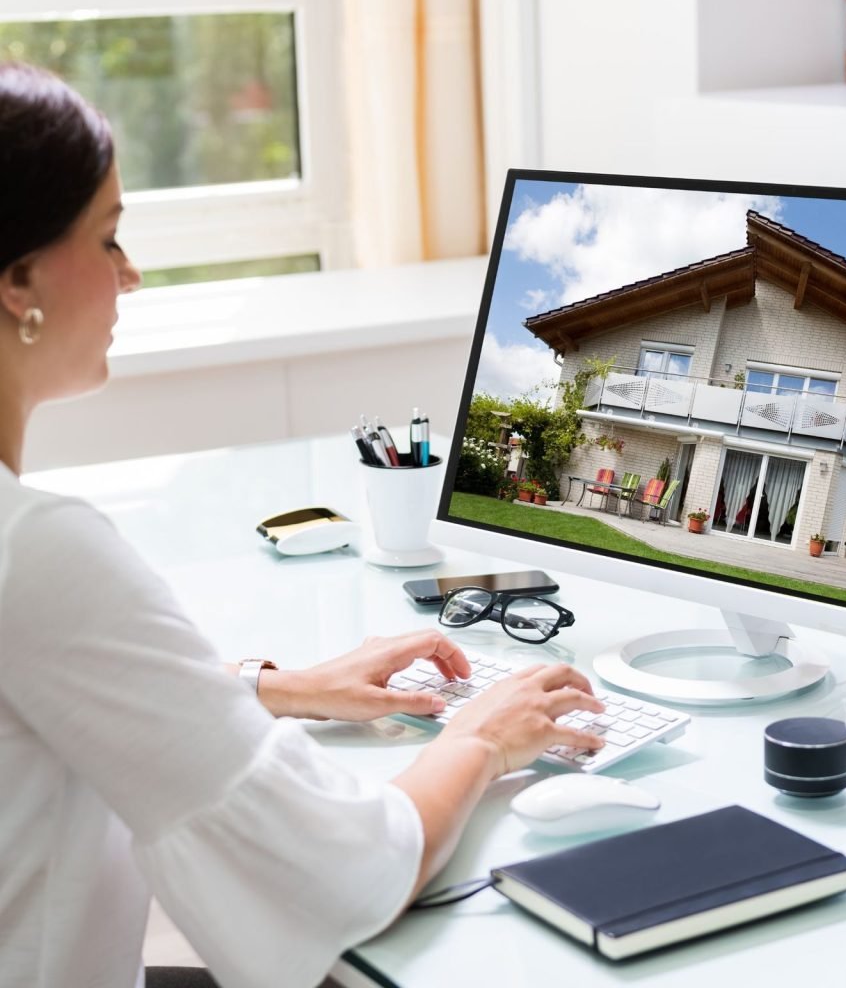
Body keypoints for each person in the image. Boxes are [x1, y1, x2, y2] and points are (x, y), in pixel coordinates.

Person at [0, 62, 606, 988]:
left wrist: (268, 687)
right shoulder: (39, 551)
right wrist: (481, 736)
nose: (130, 274)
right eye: (109, 237)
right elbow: (343, 871)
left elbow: (43, 702)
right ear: (17, 281)